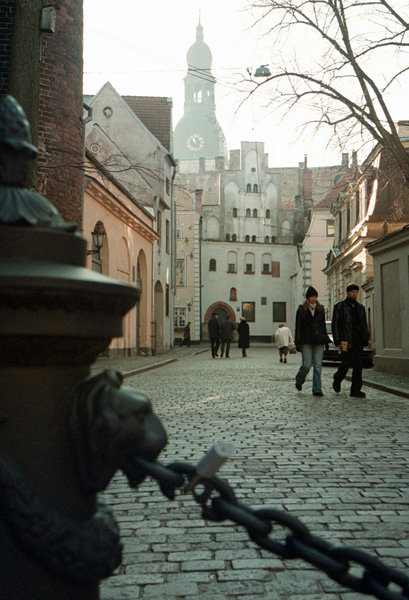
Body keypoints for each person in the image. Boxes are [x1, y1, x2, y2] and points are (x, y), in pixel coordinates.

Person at [331, 284, 370, 398]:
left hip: (358, 340)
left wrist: (365, 338)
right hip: (345, 340)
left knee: (358, 365)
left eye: (356, 292)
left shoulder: (360, 308)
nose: (354, 294)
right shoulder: (340, 306)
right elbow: (336, 324)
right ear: (347, 293)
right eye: (352, 292)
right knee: (346, 363)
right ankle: (338, 378)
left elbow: (364, 324)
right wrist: (337, 339)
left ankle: (356, 390)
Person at [295, 286, 330, 396]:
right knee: (306, 364)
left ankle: (317, 389)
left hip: (319, 340)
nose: (313, 299)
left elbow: (323, 325)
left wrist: (325, 340)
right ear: (307, 298)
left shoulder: (321, 309)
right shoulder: (301, 309)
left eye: (315, 297)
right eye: (311, 297)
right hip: (306, 340)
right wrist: (298, 342)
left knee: (318, 365)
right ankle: (299, 379)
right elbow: (298, 326)